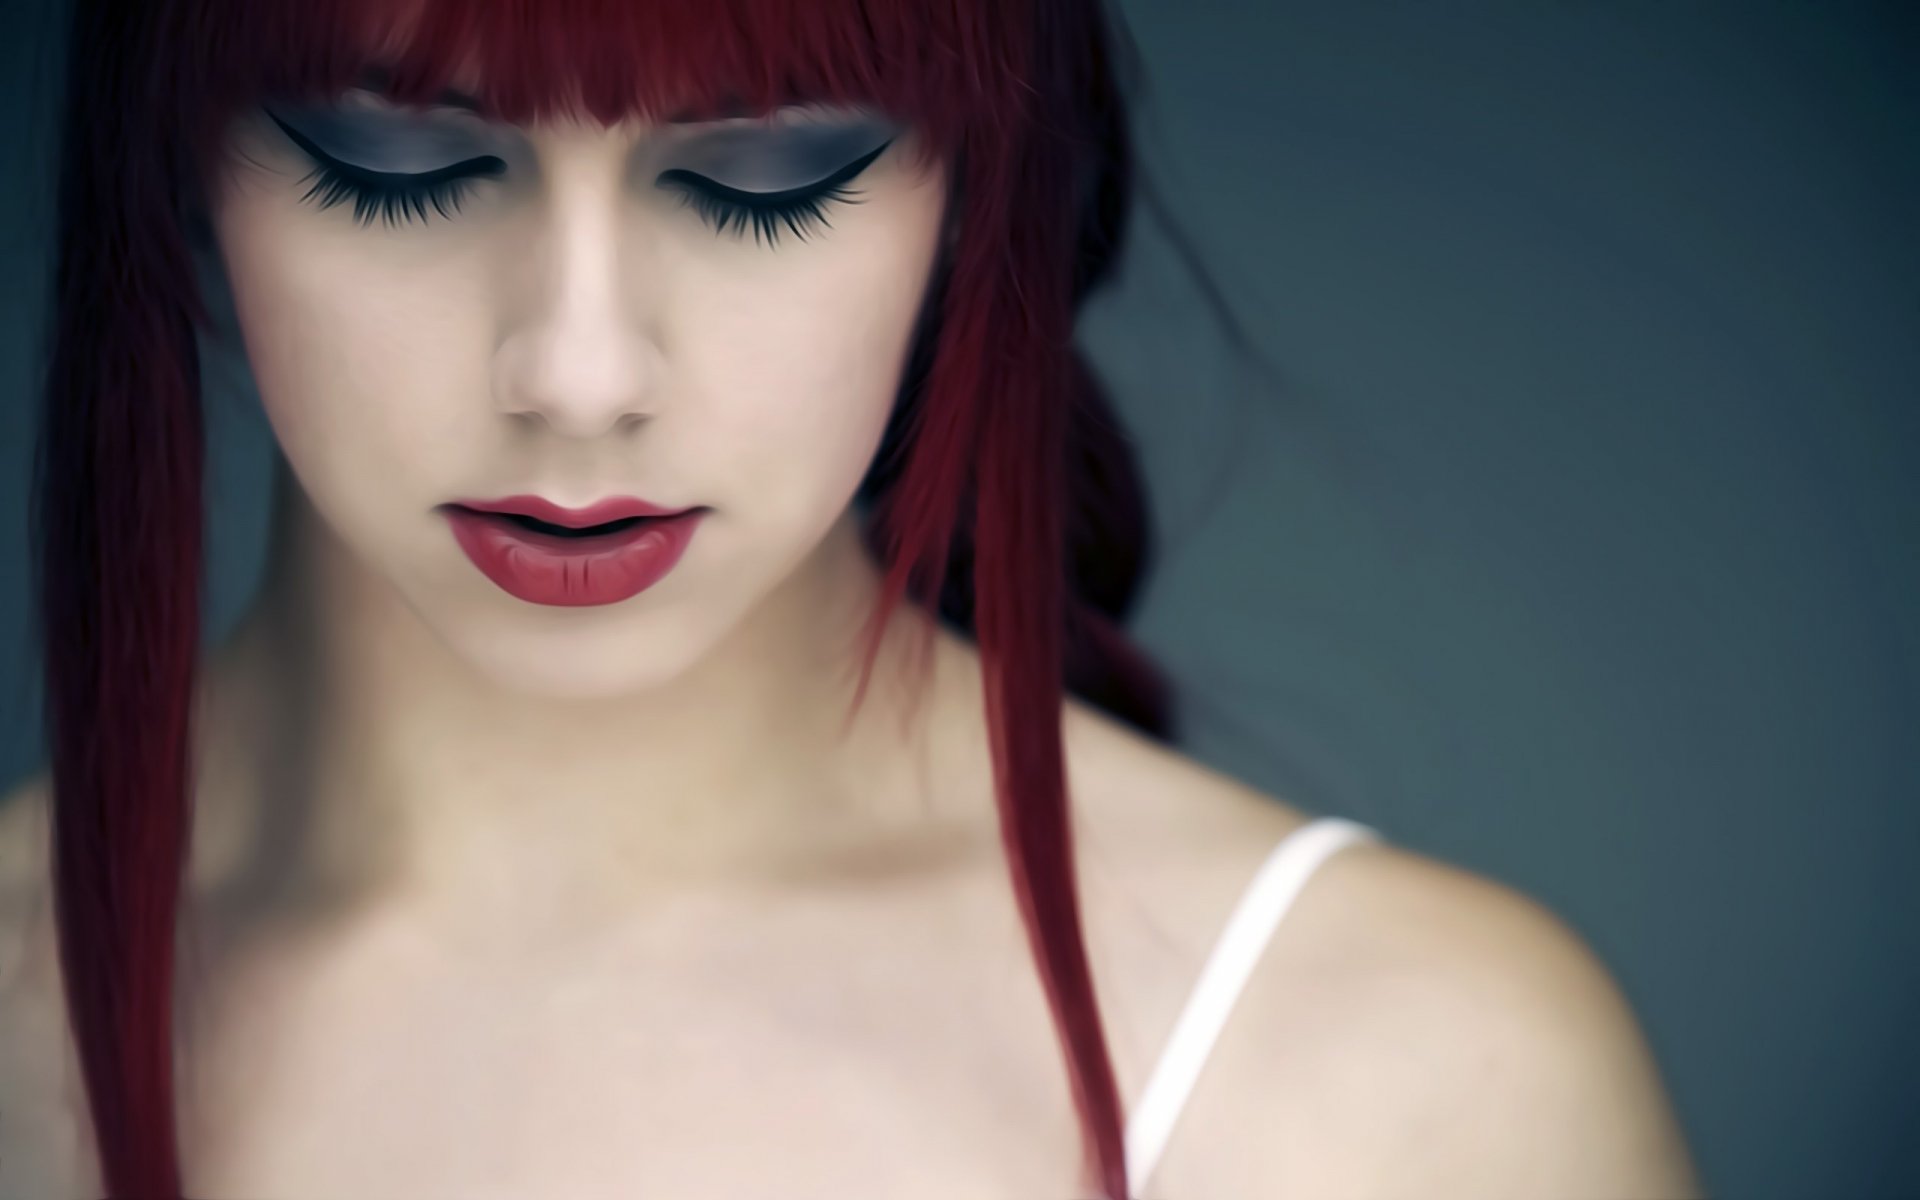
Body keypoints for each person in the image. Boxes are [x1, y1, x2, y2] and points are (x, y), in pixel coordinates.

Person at [0, 0, 1704, 1196]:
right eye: (392, 160)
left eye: (765, 175)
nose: (580, 374)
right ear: (174, 156)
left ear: (976, 189)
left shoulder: (1405, 1087)